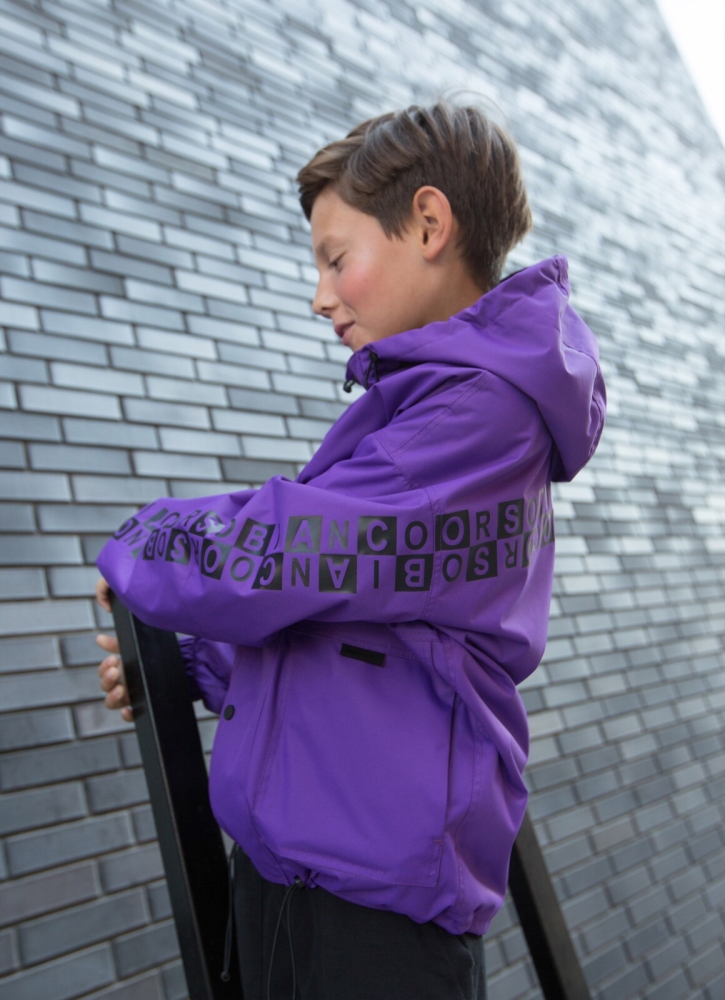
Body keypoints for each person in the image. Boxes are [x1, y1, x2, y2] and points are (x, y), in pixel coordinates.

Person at [95, 102, 606, 1000]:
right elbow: (355, 626)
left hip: (368, 914)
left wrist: (143, 542)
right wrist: (185, 665)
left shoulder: (476, 415)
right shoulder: (431, 409)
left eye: (336, 260)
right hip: (302, 872)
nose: (320, 296)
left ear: (430, 224)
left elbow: (280, 554)